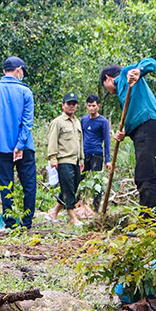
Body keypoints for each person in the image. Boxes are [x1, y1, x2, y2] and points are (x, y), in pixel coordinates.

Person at [101, 59, 156, 217]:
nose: (108, 90)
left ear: (108, 78)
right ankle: (148, 219)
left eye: (105, 86)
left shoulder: (125, 74)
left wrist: (138, 71)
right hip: (144, 130)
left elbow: (151, 62)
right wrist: (125, 132)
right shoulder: (122, 94)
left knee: (144, 176)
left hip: (149, 126)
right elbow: (132, 116)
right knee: (145, 174)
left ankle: (149, 222)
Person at [0, 56, 36, 230]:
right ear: (19, 70)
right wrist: (20, 145)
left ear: (4, 71)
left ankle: (10, 223)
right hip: (24, 148)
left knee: (5, 184)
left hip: (1, 145)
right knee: (29, 184)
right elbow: (27, 121)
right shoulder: (25, 92)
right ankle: (26, 223)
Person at [46, 93, 85, 226]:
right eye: (69, 104)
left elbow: (80, 142)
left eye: (74, 104)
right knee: (68, 188)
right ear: (63, 105)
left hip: (76, 161)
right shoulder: (57, 122)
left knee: (71, 187)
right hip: (64, 160)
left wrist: (82, 159)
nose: (71, 106)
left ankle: (54, 212)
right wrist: (53, 158)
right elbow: (52, 141)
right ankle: (72, 217)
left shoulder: (77, 122)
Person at [81, 94, 112, 210]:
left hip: (97, 154)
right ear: (86, 106)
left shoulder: (103, 121)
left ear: (98, 106)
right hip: (84, 154)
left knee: (96, 181)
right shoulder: (84, 120)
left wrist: (107, 160)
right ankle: (76, 204)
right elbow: (80, 138)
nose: (91, 108)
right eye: (89, 106)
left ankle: (96, 208)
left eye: (93, 106)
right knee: (79, 179)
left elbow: (107, 141)